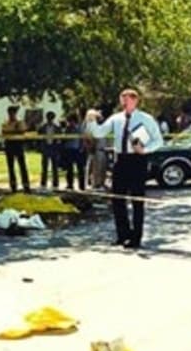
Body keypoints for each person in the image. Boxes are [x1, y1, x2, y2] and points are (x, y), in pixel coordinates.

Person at [91, 88, 163, 248]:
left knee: (137, 199)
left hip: (137, 160)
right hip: (121, 159)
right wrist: (91, 120)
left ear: (135, 100)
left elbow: (158, 141)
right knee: (117, 198)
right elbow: (99, 132)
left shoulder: (145, 118)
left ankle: (136, 237)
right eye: (122, 98)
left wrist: (145, 150)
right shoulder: (116, 118)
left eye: (128, 98)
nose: (124, 101)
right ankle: (122, 234)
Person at [1, 105, 30, 193]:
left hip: (18, 145)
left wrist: (12, 131)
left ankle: (26, 185)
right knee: (11, 167)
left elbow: (22, 131)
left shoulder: (20, 122)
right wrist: (13, 131)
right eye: (10, 113)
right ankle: (13, 186)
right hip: (9, 146)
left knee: (22, 166)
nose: (11, 115)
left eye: (12, 113)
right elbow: (4, 132)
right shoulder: (6, 123)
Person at [60, 113, 86, 191]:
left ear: (73, 120)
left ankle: (81, 185)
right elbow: (64, 138)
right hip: (69, 150)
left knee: (80, 169)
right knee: (69, 168)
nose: (69, 122)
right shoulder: (67, 128)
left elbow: (82, 138)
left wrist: (81, 148)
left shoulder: (79, 128)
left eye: (70, 121)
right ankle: (70, 184)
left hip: (77, 149)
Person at [83, 109, 107, 190]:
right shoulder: (90, 125)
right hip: (96, 149)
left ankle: (100, 184)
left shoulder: (99, 125)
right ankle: (96, 184)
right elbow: (88, 139)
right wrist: (91, 147)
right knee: (96, 168)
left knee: (101, 168)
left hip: (102, 149)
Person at [37, 111, 61, 189]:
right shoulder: (42, 127)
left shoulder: (57, 127)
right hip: (45, 148)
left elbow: (59, 138)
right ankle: (43, 183)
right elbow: (39, 138)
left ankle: (55, 183)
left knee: (55, 167)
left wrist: (58, 146)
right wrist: (40, 147)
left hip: (54, 148)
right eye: (48, 117)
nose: (50, 119)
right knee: (44, 166)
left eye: (51, 117)